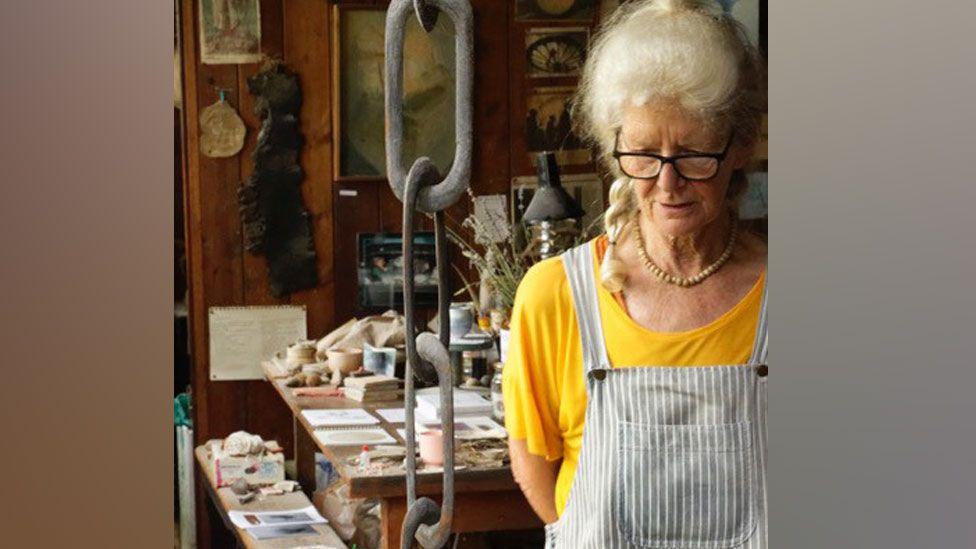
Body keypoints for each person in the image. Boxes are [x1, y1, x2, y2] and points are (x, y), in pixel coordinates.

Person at [502, 1, 767, 547]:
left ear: (740, 146)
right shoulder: (555, 297)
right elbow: (533, 464)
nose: (667, 185)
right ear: (614, 146)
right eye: (644, 155)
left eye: (694, 155)